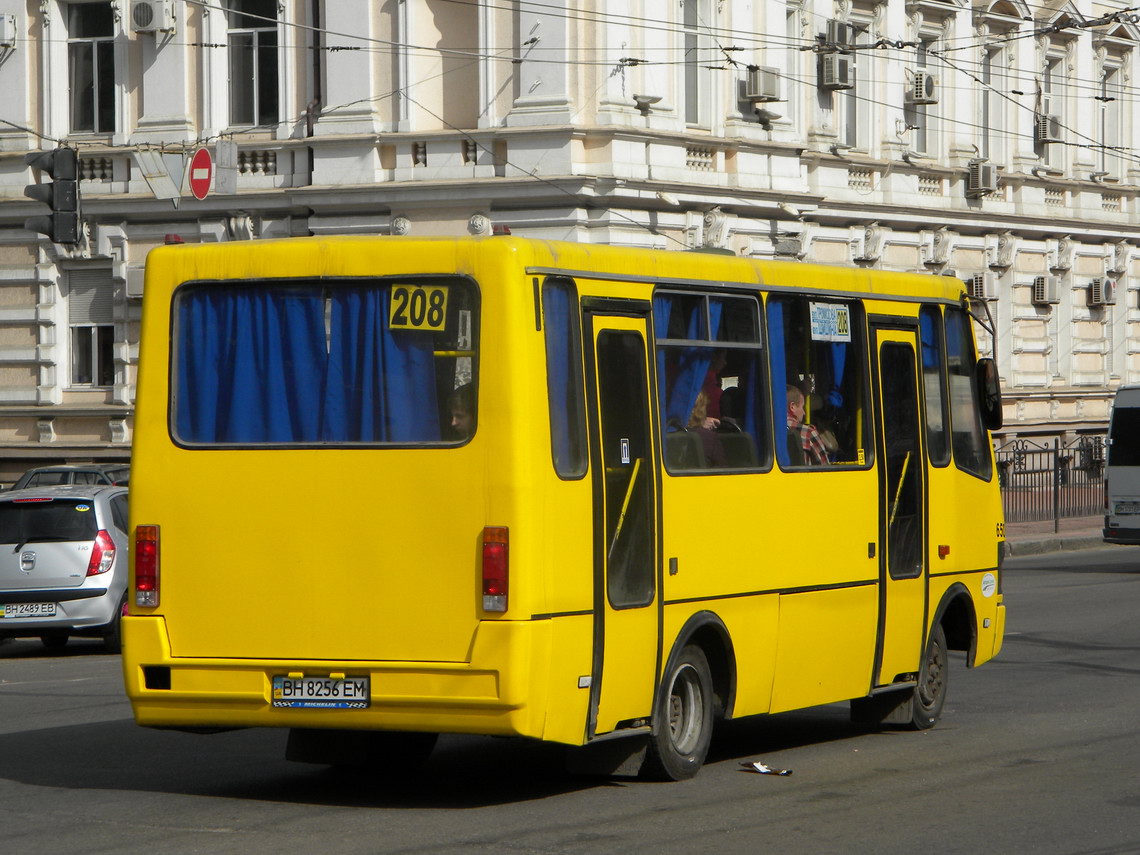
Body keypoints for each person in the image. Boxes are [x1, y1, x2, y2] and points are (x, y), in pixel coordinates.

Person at [786, 384, 830, 466]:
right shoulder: (808, 432)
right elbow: (825, 467)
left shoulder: (767, 430)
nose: (804, 412)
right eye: (802, 407)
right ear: (792, 406)